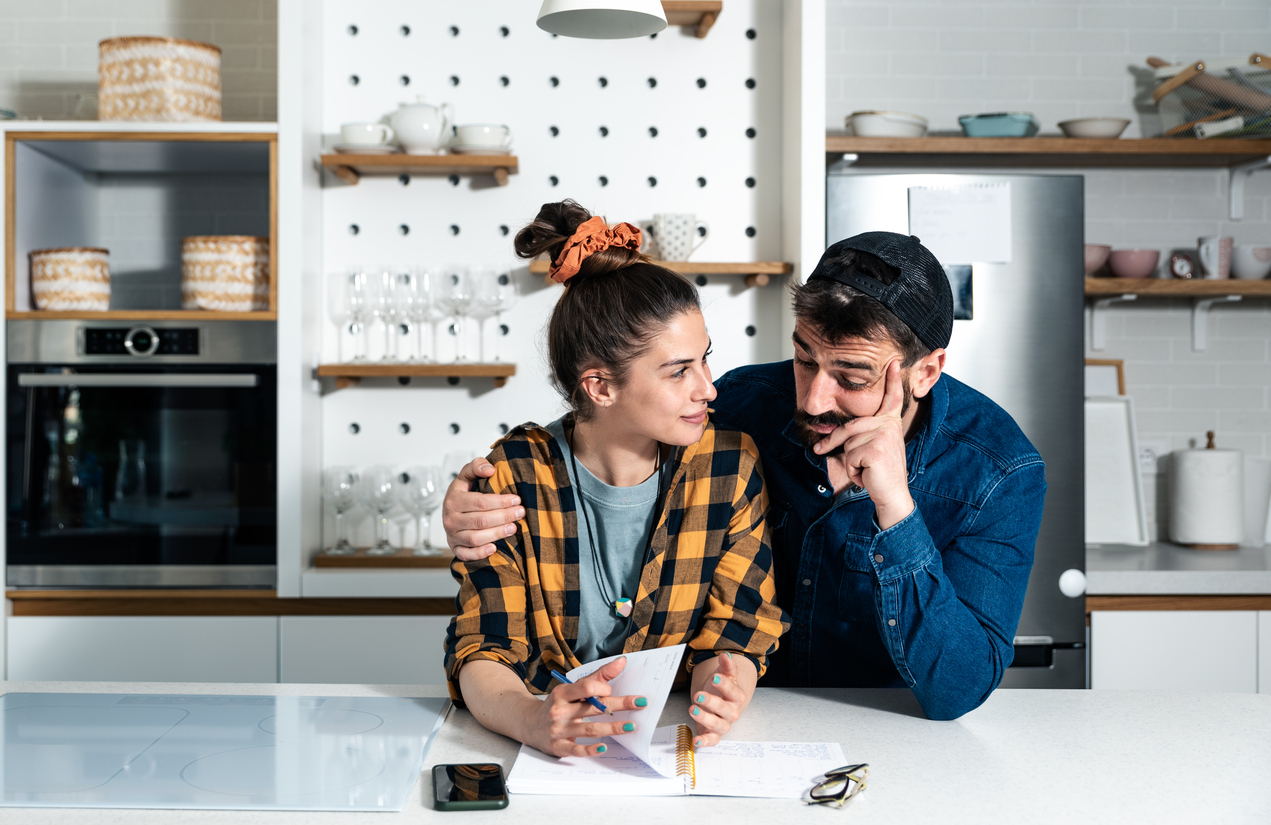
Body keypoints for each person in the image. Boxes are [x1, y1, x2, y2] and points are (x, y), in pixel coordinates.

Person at [444, 231, 1046, 722]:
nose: (812, 399)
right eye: (804, 358)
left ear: (926, 371)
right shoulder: (743, 406)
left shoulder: (999, 472)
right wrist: (477, 498)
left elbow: (959, 691)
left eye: (853, 378)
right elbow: (611, 422)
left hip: (890, 731)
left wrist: (896, 508)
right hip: (746, 726)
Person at [444, 200, 790, 759]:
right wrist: (534, 720)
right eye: (680, 371)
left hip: (665, 744)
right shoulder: (512, 474)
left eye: (704, 360)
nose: (709, 388)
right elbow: (483, 650)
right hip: (536, 753)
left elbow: (737, 627)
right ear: (601, 387)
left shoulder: (728, 464)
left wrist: (725, 689)